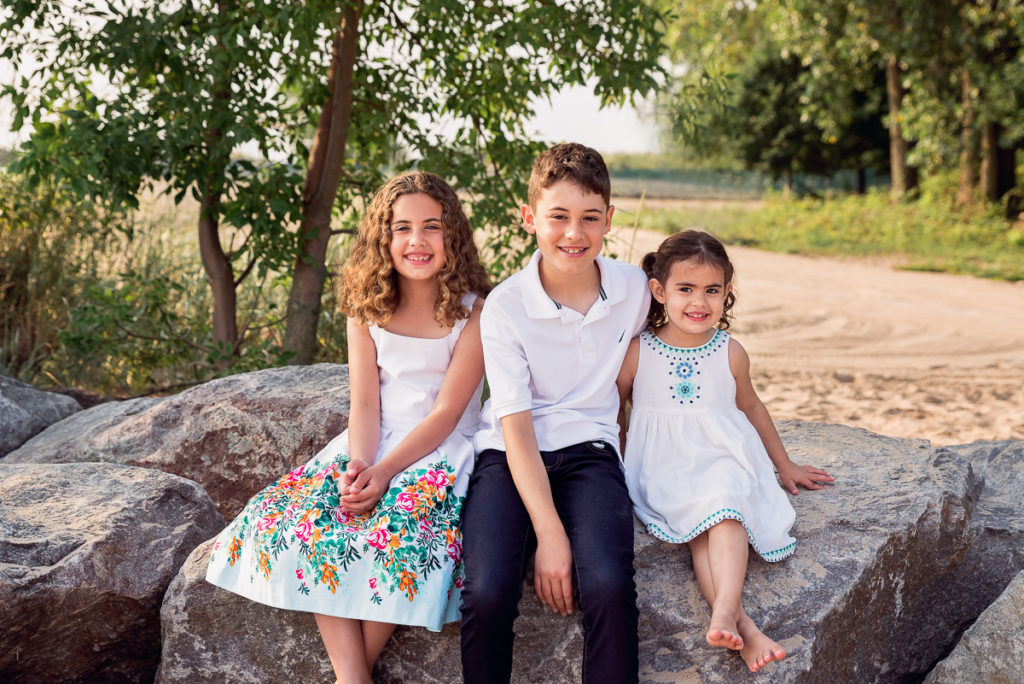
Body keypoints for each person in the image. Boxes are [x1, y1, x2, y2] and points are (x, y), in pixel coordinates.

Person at [205, 171, 491, 684]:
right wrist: (360, 466)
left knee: (399, 536)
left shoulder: (476, 312)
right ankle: (353, 676)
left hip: (439, 449)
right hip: (371, 440)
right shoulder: (366, 309)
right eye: (401, 228)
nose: (417, 241)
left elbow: (447, 412)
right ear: (383, 238)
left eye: (432, 227)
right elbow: (364, 402)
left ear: (453, 235)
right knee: (312, 522)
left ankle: (350, 678)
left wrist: (385, 473)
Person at [459, 142, 651, 684]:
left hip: (591, 453)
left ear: (610, 220)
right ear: (529, 219)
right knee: (488, 589)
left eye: (590, 218)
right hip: (510, 455)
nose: (575, 233)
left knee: (610, 584)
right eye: (558, 217)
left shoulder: (633, 289)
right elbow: (515, 429)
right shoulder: (506, 306)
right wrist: (551, 535)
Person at [615, 229, 834, 673]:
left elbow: (751, 406)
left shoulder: (730, 352)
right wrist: (617, 462)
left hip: (722, 455)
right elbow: (615, 407)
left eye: (712, 290)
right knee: (704, 522)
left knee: (723, 509)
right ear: (659, 291)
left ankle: (728, 615)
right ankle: (745, 628)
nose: (699, 302)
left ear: (727, 293)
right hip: (664, 463)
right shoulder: (639, 351)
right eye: (686, 289)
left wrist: (784, 464)